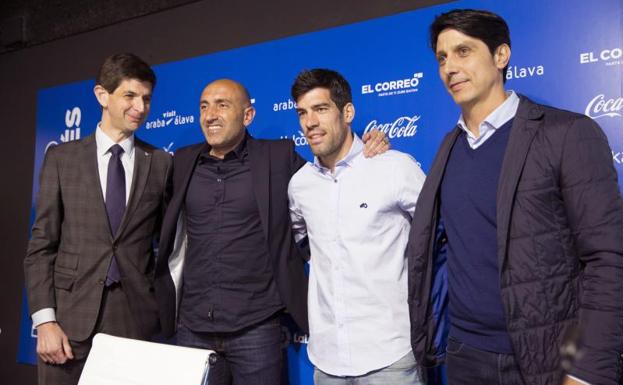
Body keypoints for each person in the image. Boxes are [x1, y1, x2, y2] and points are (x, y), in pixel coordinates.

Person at [407, 8, 623, 385]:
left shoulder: (567, 133)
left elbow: (607, 258)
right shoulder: (449, 147)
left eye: (463, 51)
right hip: (464, 355)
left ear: (501, 56)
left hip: (545, 356)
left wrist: (586, 369)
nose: (449, 68)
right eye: (442, 58)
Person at [154, 78, 388, 384]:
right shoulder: (183, 161)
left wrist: (367, 149)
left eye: (222, 105)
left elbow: (329, 178)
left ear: (248, 115)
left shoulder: (277, 156)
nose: (210, 114)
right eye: (204, 106)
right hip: (192, 328)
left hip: (257, 329)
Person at [24, 53, 172, 385]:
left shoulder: (160, 163)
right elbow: (41, 247)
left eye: (146, 98)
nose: (140, 107)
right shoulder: (61, 159)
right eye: (130, 96)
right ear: (102, 95)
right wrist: (45, 322)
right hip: (67, 321)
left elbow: (167, 246)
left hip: (136, 322)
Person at [288, 69, 426, 385]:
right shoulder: (300, 185)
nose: (309, 122)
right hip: (327, 362)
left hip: (390, 357)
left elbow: (438, 232)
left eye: (320, 109)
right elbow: (294, 243)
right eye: (302, 113)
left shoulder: (394, 167)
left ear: (347, 112)